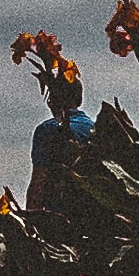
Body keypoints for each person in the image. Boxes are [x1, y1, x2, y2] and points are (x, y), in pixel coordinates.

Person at [25, 55, 97, 207]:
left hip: (59, 216)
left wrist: (31, 222)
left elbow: (39, 179)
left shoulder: (47, 130)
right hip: (91, 213)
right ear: (80, 99)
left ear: (51, 100)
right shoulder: (95, 127)